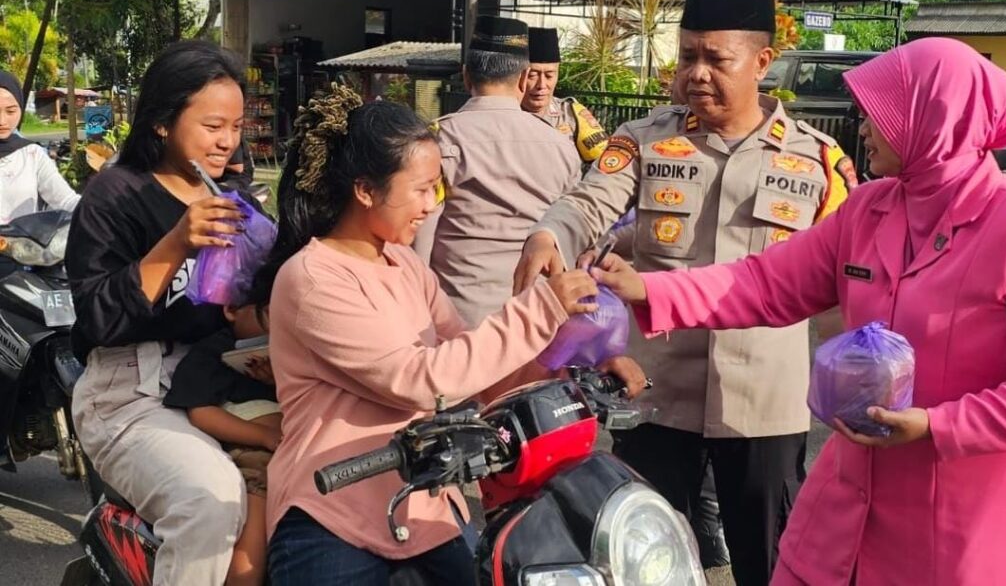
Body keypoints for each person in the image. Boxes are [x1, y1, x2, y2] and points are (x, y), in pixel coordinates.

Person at [591, 37, 1006, 585]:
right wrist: (651, 291)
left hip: (960, 525)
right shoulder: (871, 208)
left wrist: (940, 426)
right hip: (845, 505)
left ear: (933, 120)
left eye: (878, 117)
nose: (862, 129)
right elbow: (767, 282)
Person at [513, 0, 857, 586]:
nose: (697, 73)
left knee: (772, 562)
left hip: (764, 409)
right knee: (637, 557)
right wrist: (550, 234)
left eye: (716, 59)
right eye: (688, 55)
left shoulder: (818, 161)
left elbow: (852, 271)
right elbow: (588, 203)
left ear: (762, 63)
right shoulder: (645, 140)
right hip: (655, 396)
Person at [252, 85, 644, 585]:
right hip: (333, 514)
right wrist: (542, 307)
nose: (431, 204)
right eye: (419, 189)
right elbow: (423, 379)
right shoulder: (311, 279)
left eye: (436, 187)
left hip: (426, 511)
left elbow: (479, 369)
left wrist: (577, 368)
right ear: (366, 190)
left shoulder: (405, 264)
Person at [67, 40, 256, 585]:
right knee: (210, 502)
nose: (227, 141)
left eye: (237, 126)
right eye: (213, 125)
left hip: (220, 380)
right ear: (161, 123)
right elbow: (99, 321)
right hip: (129, 393)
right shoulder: (114, 196)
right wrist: (177, 241)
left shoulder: (236, 196)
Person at [412, 16, 583, 327]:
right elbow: (571, 236)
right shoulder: (561, 146)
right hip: (536, 323)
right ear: (523, 79)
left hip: (458, 324)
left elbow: (420, 241)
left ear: (466, 77)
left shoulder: (439, 140)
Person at [163, 303, 279, 586]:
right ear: (232, 310)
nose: (276, 323)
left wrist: (278, 380)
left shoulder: (286, 347)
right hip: (257, 452)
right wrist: (261, 436)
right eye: (266, 313)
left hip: (295, 444)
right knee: (256, 520)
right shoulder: (212, 352)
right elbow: (201, 411)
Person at [0, 69, 79, 223]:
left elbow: (66, 201)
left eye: (10, 111)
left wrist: (103, 211)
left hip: (22, 246)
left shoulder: (32, 155)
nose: (2, 121)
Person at [522, 27, 609, 166]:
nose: (542, 85)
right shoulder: (504, 112)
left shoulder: (570, 113)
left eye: (549, 75)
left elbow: (605, 164)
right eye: (532, 76)